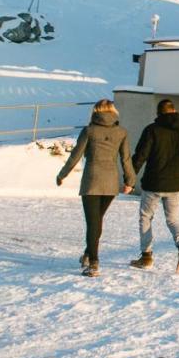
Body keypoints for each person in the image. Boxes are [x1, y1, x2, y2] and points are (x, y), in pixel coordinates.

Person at [57, 99, 136, 277]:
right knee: (97, 220)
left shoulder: (89, 130)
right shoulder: (121, 132)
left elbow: (75, 156)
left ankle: (93, 262)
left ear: (95, 111)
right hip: (110, 182)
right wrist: (130, 181)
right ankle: (88, 253)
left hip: (92, 181)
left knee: (93, 222)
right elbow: (126, 158)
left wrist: (62, 174)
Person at [130, 98, 179, 273]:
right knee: (173, 220)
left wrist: (130, 178)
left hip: (153, 183)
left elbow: (140, 155)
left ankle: (146, 256)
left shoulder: (152, 130)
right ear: (174, 111)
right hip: (176, 185)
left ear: (158, 114)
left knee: (146, 218)